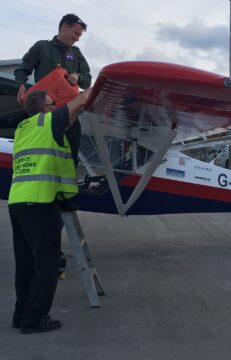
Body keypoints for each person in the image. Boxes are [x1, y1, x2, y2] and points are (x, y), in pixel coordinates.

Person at [8, 87, 91, 334]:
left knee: (25, 263)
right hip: (40, 201)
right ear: (45, 108)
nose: (57, 105)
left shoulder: (24, 127)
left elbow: (71, 117)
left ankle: (21, 315)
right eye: (53, 102)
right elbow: (83, 99)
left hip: (18, 201)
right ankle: (34, 319)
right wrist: (87, 86)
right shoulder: (50, 121)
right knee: (48, 264)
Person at [14, 13, 91, 166]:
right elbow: (22, 69)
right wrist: (21, 84)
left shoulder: (76, 54)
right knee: (42, 155)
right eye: (75, 33)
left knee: (70, 156)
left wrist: (78, 76)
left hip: (69, 114)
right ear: (64, 27)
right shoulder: (42, 47)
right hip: (44, 114)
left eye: (80, 35)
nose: (77, 38)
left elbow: (87, 80)